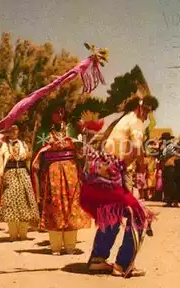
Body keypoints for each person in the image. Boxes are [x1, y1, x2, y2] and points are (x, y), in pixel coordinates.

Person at [81, 96, 158, 277]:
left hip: (105, 172)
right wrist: (140, 168)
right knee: (139, 216)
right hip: (117, 172)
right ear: (140, 107)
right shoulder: (135, 121)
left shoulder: (122, 120)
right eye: (146, 111)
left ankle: (98, 260)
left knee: (113, 214)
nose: (147, 116)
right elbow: (138, 149)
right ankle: (123, 265)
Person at [32, 105, 91, 255]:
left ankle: (70, 246)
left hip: (71, 173)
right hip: (52, 174)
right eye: (56, 111)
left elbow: (81, 149)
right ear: (50, 114)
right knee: (55, 206)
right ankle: (56, 246)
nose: (59, 114)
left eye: (61, 111)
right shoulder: (43, 131)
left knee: (72, 206)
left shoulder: (72, 128)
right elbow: (37, 153)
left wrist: (81, 146)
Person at [0, 125, 40, 241]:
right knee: (10, 202)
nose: (13, 132)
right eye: (11, 130)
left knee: (24, 202)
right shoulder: (3, 145)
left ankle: (23, 233)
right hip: (10, 174)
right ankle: (13, 234)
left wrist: (28, 155)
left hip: (23, 174)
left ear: (18, 131)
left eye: (15, 129)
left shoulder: (23, 144)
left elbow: (29, 158)